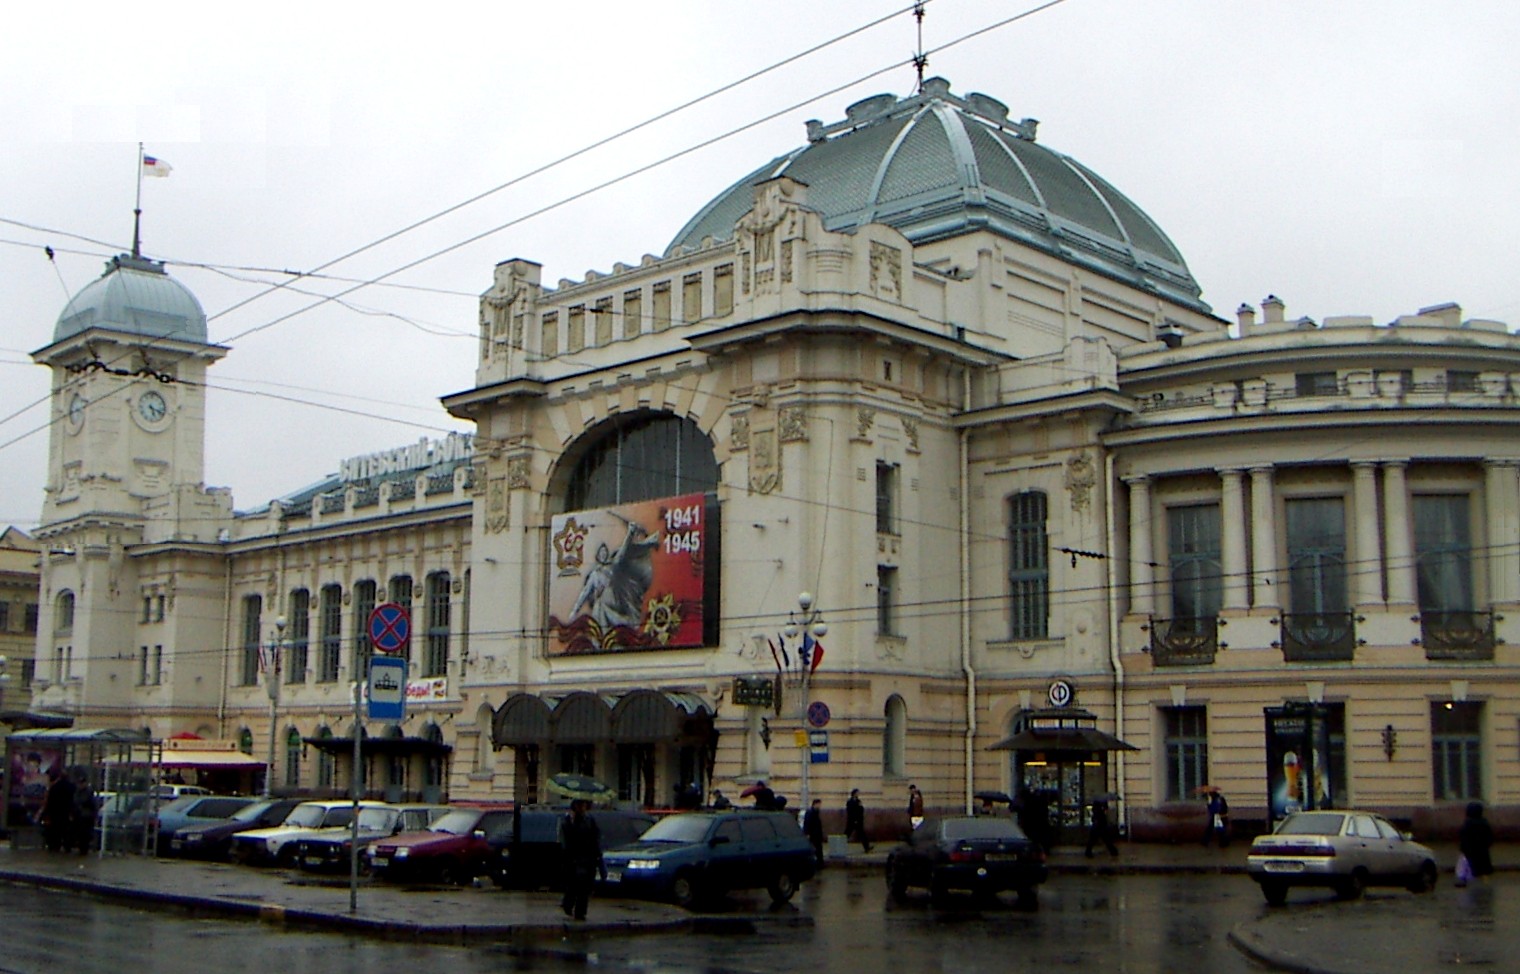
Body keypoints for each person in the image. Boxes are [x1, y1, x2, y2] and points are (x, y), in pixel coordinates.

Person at [558, 798, 603, 920]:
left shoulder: (590, 821)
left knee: (584, 887)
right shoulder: (567, 821)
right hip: (573, 859)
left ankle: (580, 912)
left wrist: (597, 854)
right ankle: (568, 904)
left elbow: (596, 837)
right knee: (573, 885)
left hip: (587, 858)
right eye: (580, 805)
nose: (582, 808)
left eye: (584, 805)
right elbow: (564, 841)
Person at [39, 766, 76, 853]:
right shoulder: (72, 787)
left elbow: (50, 802)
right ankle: (67, 847)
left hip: (55, 814)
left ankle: (55, 848)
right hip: (66, 814)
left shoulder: (54, 787)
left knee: (55, 834)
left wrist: (46, 814)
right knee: (66, 833)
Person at [1457, 800, 1494, 886]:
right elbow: (1490, 837)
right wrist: (1486, 845)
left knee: (1467, 868)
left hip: (1470, 851)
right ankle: (1485, 885)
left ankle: (1465, 882)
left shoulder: (1467, 824)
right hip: (1483, 852)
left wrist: (1463, 849)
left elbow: (1463, 838)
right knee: (1484, 870)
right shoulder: (1484, 823)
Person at [72, 774, 98, 856]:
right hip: (79, 817)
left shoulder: (88, 792)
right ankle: (82, 849)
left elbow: (92, 805)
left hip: (86, 817)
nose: (80, 785)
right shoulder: (77, 792)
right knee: (80, 835)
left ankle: (84, 850)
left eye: (81, 783)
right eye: (79, 783)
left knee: (84, 835)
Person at [844, 788, 872, 852]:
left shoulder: (858, 801)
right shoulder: (850, 802)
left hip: (858, 821)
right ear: (854, 793)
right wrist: (854, 819)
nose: (858, 794)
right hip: (852, 821)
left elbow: (861, 810)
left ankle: (867, 847)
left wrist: (861, 807)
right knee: (847, 834)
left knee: (862, 834)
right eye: (857, 793)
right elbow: (850, 812)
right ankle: (840, 846)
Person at [803, 798, 825, 865]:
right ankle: (818, 863)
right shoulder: (811, 812)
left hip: (816, 834)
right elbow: (807, 823)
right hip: (813, 834)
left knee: (818, 849)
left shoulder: (815, 811)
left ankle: (819, 862)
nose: (820, 806)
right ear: (815, 804)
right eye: (819, 804)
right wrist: (807, 833)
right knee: (816, 849)